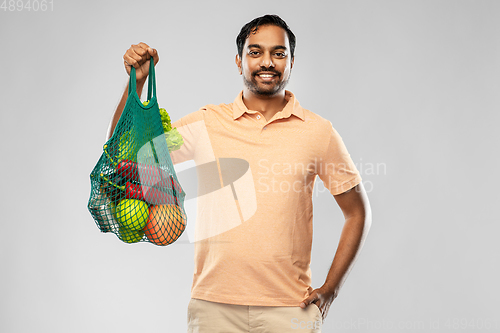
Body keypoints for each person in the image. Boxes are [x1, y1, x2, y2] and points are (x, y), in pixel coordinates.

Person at [107, 14, 371, 333]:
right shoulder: (207, 123)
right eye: (255, 52)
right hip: (213, 309)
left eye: (279, 53)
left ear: (291, 61)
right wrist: (135, 83)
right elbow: (125, 153)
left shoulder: (318, 132)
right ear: (239, 61)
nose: (267, 62)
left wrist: (331, 289)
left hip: (289, 311)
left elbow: (357, 213)